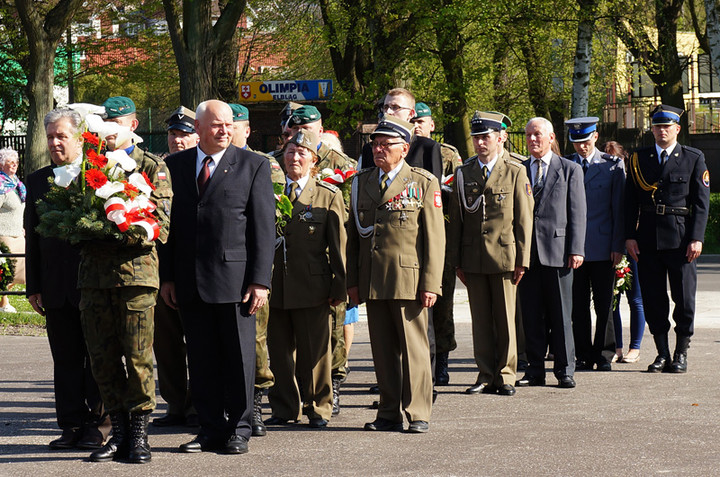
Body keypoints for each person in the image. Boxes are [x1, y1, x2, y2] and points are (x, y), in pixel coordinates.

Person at [159, 100, 275, 455]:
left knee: (239, 360)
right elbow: (169, 229)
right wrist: (168, 278)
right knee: (202, 359)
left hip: (236, 282)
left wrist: (260, 281)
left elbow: (263, 227)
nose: (224, 130)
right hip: (190, 282)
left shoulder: (253, 165)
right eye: (216, 125)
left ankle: (239, 428)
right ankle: (209, 428)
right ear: (198, 127)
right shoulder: (175, 166)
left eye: (228, 125)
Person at [80, 96, 172, 464]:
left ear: (133, 126)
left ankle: (139, 436)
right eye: (107, 122)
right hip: (94, 278)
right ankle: (116, 434)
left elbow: (161, 225)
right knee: (101, 358)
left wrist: (118, 229)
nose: (111, 128)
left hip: (136, 276)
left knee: (137, 359)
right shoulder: (88, 163)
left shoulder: (152, 166)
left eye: (118, 122)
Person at [347, 115, 445, 433]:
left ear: (403, 149)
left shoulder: (423, 182)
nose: (378, 149)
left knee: (414, 350)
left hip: (408, 280)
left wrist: (431, 283)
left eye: (385, 144)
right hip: (373, 278)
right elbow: (353, 238)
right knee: (383, 351)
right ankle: (388, 412)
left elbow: (434, 239)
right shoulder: (361, 182)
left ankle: (417, 412)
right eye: (375, 144)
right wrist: (352, 282)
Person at [25, 109, 110, 450]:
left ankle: (97, 425)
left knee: (96, 357)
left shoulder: (99, 175)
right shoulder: (38, 180)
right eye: (50, 137)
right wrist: (34, 286)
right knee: (65, 360)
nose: (55, 143)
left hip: (93, 285)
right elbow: (32, 236)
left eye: (62, 136)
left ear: (79, 137)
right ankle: (70, 424)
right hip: (56, 285)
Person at [265, 130, 346, 429]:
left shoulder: (327, 194)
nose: (294, 158)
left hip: (313, 285)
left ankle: (318, 407)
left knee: (316, 352)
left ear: (314, 160)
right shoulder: (269, 190)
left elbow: (339, 246)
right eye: (289, 152)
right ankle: (285, 406)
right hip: (275, 286)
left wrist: (340, 285)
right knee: (279, 350)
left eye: (301, 153)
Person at [447, 112, 533, 397]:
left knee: (506, 320)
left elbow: (524, 219)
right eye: (476, 137)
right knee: (480, 319)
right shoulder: (464, 172)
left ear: (500, 137)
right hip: (473, 257)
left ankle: (506, 374)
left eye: (486, 137)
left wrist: (523, 259)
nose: (480, 142)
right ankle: (485, 373)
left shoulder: (516, 170)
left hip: (505, 256)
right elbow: (457, 220)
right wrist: (457, 260)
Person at [624, 104, 710, 373]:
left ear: (677, 129)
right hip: (648, 239)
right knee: (653, 298)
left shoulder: (693, 157)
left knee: (684, 299)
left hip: (681, 240)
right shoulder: (639, 158)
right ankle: (662, 353)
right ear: (651, 129)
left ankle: (681, 352)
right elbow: (629, 203)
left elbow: (701, 203)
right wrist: (629, 237)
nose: (662, 131)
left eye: (667, 126)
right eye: (657, 126)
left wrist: (696, 237)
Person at [286, 104, 355, 415]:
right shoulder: (277, 170)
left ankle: (330, 390)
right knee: (286, 344)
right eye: (295, 129)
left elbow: (351, 217)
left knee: (329, 338)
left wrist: (343, 281)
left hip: (323, 265)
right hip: (288, 272)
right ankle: (289, 401)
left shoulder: (343, 165)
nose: (302, 136)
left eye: (309, 127)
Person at [517, 117, 586, 389]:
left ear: (551, 137)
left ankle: (565, 369)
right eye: (528, 135)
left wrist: (577, 249)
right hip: (527, 254)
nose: (532, 139)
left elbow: (578, 213)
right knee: (531, 316)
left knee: (560, 314)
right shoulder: (520, 170)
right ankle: (534, 370)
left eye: (537, 134)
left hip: (558, 252)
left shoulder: (569, 169)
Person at [228, 102, 284, 437]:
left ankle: (256, 402)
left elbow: (271, 217)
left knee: (256, 339)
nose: (229, 132)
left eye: (235, 126)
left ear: (246, 130)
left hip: (252, 265)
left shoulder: (264, 165)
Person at [151, 106, 199, 429]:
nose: (177, 141)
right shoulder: (156, 169)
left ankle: (198, 405)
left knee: (197, 340)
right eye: (173, 135)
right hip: (160, 270)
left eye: (184, 135)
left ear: (197, 137)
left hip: (194, 269)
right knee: (165, 343)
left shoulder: (203, 169)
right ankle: (174, 404)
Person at [564, 117, 625, 372]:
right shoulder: (566, 165)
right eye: (577, 142)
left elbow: (619, 210)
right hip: (574, 248)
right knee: (577, 306)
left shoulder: (612, 166)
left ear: (596, 137)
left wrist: (617, 246)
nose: (582, 147)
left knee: (604, 305)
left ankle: (604, 353)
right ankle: (582, 354)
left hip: (603, 246)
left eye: (586, 141)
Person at [410, 102, 463, 385]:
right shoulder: (402, 149)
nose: (417, 125)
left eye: (422, 120)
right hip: (408, 240)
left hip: (440, 237)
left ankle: (441, 361)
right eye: (413, 120)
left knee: (441, 306)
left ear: (432, 124)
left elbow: (457, 199)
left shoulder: (446, 154)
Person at [604, 141, 646, 363]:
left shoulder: (633, 183)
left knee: (636, 299)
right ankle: (616, 346)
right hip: (613, 247)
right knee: (613, 300)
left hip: (632, 246)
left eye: (617, 161)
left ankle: (635, 347)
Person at [359, 89, 443, 180]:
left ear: (411, 114)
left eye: (395, 107)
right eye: (386, 107)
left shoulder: (427, 147)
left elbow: (433, 188)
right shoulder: (370, 149)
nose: (388, 112)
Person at [0, 147, 25, 313]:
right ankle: (4, 302)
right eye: (10, 162)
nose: (14, 165)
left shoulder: (17, 184)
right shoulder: (1, 185)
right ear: (2, 165)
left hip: (18, 232)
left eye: (15, 162)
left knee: (21, 270)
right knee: (7, 270)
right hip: (4, 233)